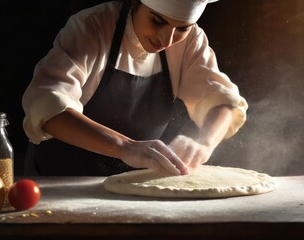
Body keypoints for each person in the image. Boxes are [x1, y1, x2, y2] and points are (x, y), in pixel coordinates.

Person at [22, 0, 247, 176]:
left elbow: (222, 100)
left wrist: (204, 143)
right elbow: (47, 108)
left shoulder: (191, 41)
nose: (167, 39)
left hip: (130, 184)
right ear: (136, 3)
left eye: (182, 28)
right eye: (157, 21)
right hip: (63, 178)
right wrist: (124, 146)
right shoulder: (93, 27)